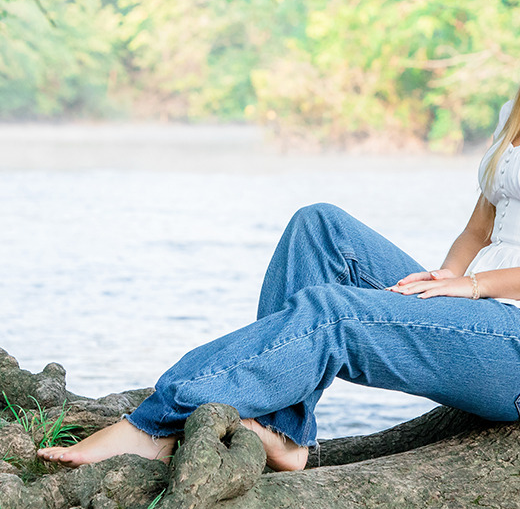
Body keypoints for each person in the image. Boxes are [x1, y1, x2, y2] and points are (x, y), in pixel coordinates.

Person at [38, 95, 520, 472]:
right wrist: (449, 276)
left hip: (510, 336)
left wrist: (476, 284)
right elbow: (480, 229)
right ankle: (280, 431)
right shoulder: (512, 111)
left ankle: (153, 424)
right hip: (476, 307)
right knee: (319, 228)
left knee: (332, 313)